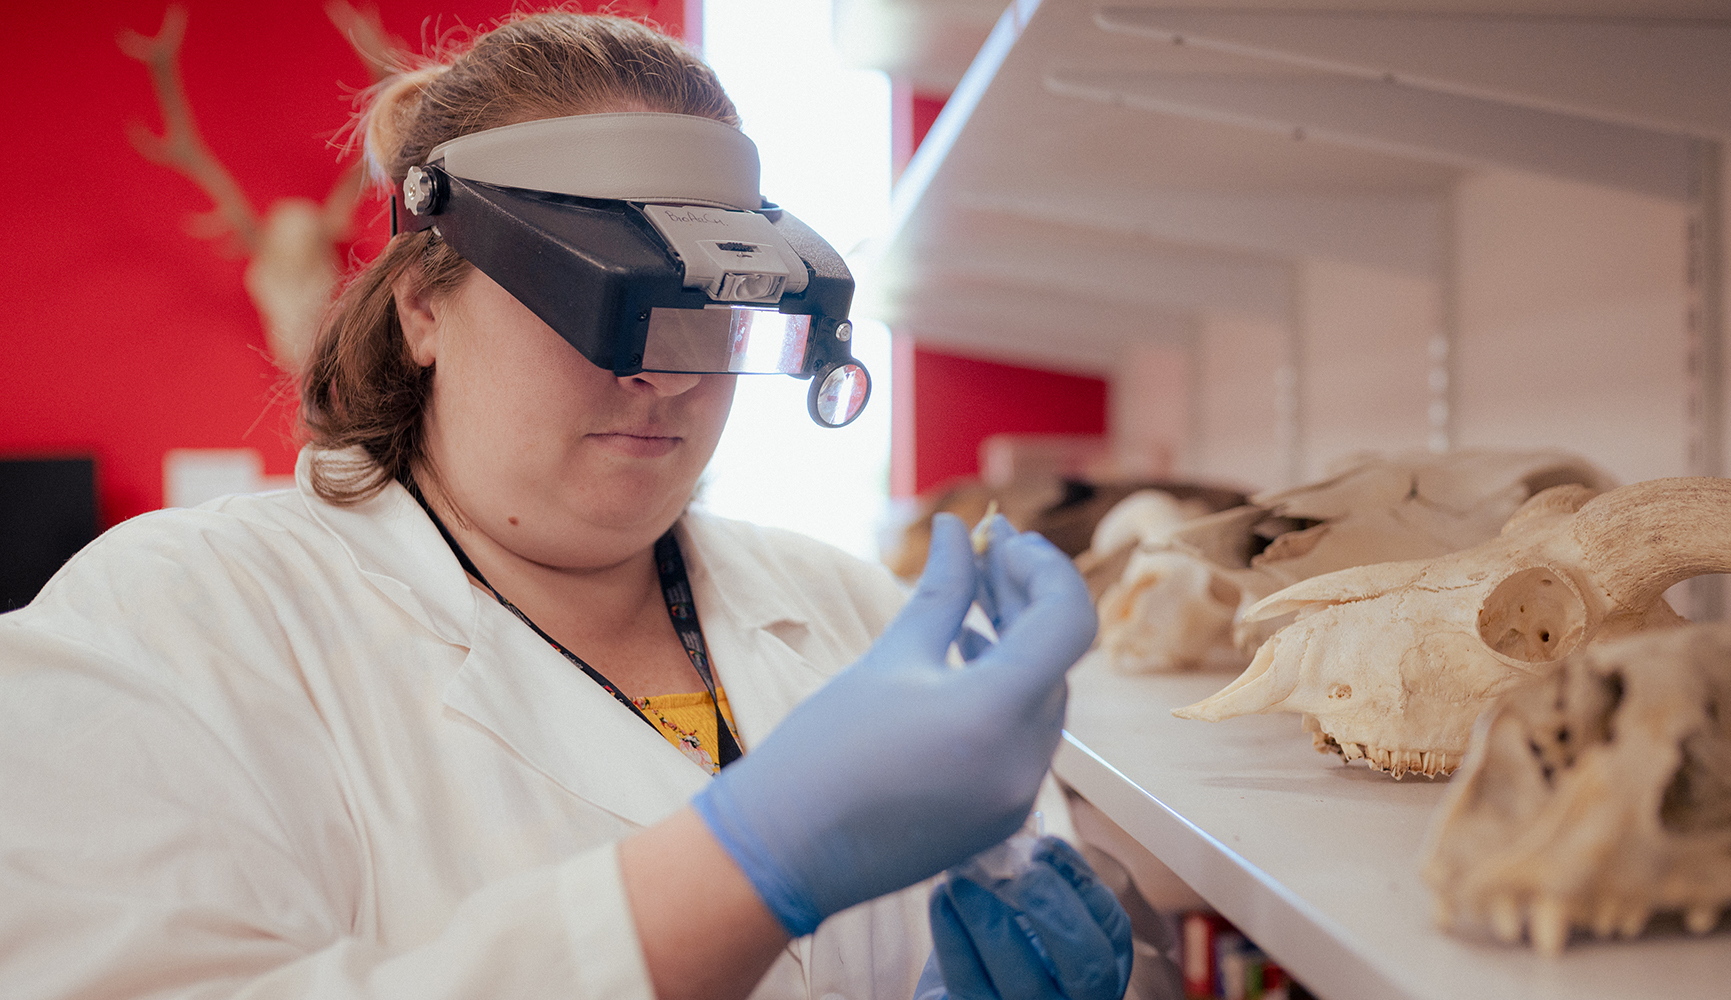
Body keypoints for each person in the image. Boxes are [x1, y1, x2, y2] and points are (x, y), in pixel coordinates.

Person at [0, 11, 1130, 1000]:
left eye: (710, 314)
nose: (667, 374)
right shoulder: (169, 626)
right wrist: (743, 870)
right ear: (422, 307)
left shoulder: (854, 612)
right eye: (605, 304)